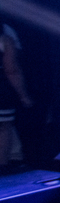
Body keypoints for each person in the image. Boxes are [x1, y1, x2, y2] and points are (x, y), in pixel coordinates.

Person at [1, 21, 34, 169]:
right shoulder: (5, 39)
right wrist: (23, 95)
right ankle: (2, 167)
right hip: (1, 91)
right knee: (3, 128)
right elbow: (11, 70)